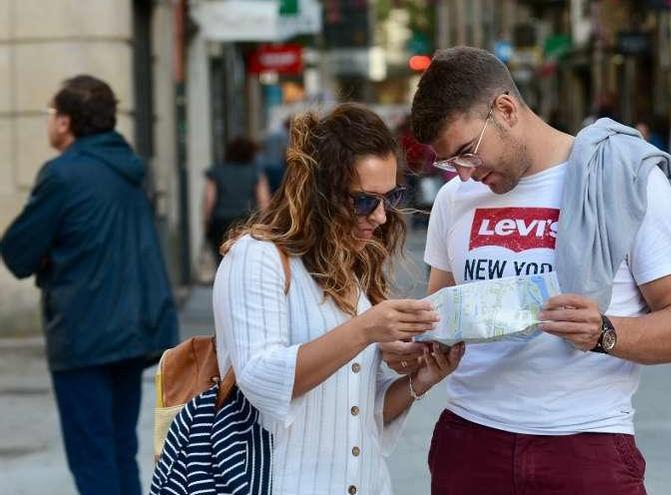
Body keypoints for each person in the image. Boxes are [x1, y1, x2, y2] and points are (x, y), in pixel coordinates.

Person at [382, 46, 671, 494]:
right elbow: (442, 319)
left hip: (586, 444)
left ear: (506, 109)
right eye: (450, 163)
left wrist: (604, 332)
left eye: (466, 153)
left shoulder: (623, 180)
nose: (464, 175)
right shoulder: (455, 201)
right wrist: (412, 344)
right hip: (471, 442)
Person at [212, 103, 464, 494]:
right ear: (320, 193)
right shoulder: (257, 257)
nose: (381, 216)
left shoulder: (352, 262)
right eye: (365, 200)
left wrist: (423, 378)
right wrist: (364, 330)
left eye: (390, 196)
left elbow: (362, 414)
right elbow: (260, 380)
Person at [0, 75, 179, 495]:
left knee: (92, 457)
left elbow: (18, 252)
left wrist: (50, 256)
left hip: (85, 332)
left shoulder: (62, 174)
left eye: (50, 114)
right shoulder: (133, 169)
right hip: (136, 328)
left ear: (64, 122)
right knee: (119, 450)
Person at [202, 136, 271, 262]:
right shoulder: (255, 172)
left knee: (222, 259)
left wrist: (206, 222)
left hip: (220, 221)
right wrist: (265, 225)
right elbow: (264, 201)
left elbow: (209, 199)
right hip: (245, 221)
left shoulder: (217, 171)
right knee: (244, 259)